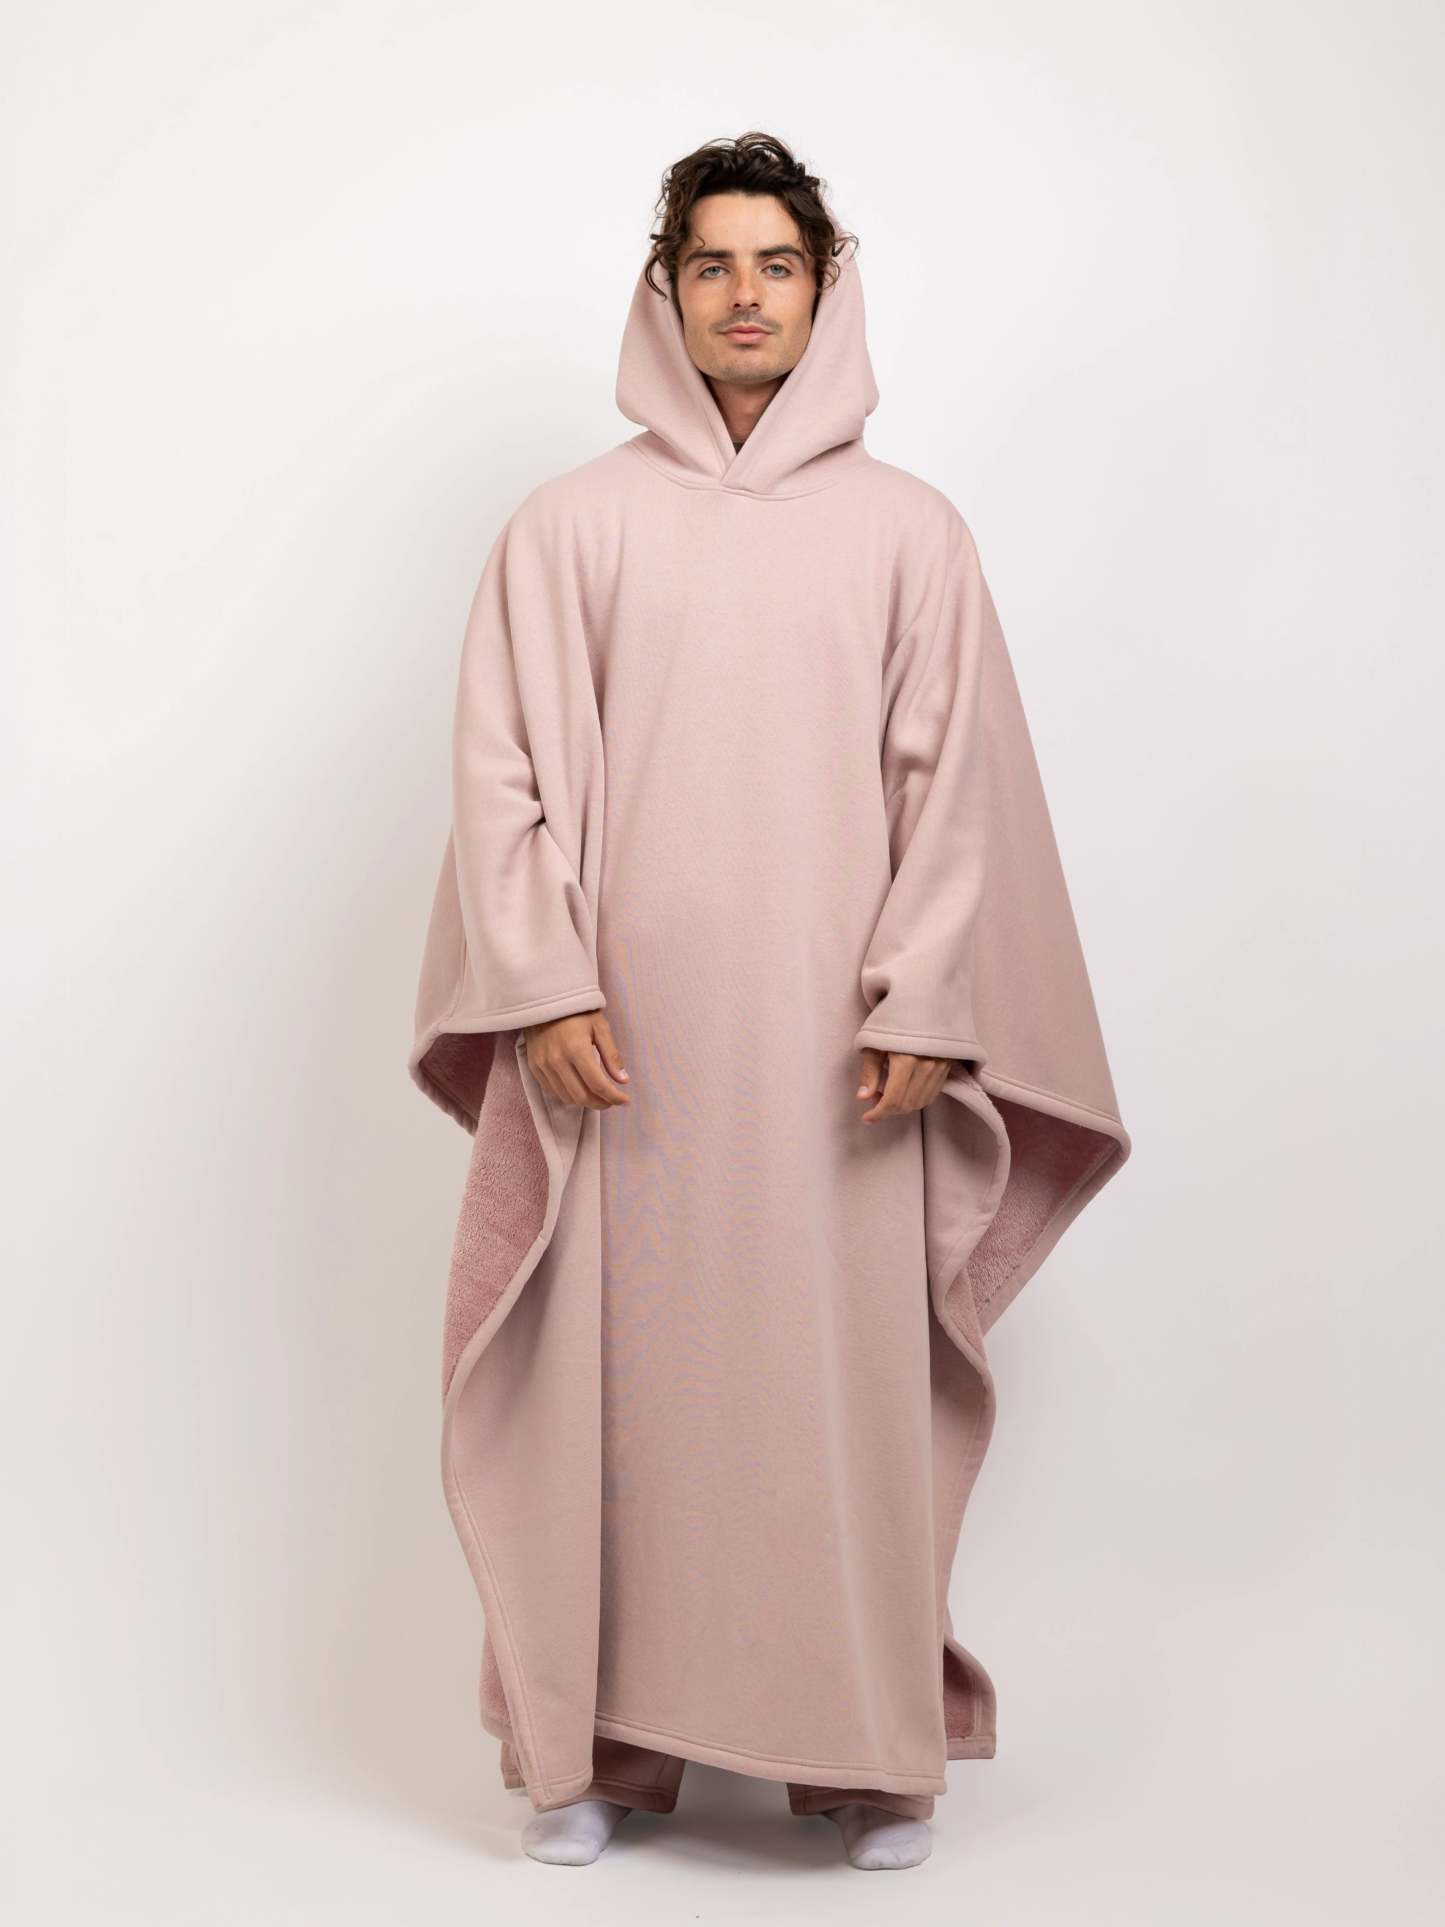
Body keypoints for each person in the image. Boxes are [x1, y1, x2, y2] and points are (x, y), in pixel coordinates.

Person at [408, 131, 1131, 1870]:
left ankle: (864, 1757)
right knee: (611, 1409)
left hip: (838, 1059)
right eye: (712, 265)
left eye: (777, 265)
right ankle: (599, 1756)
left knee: (835, 1400)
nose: (746, 296)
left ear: (826, 286)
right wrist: (539, 982)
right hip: (623, 1054)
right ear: (664, 290)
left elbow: (952, 784)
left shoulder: (908, 534)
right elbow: (502, 777)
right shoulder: (568, 527)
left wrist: (923, 998)